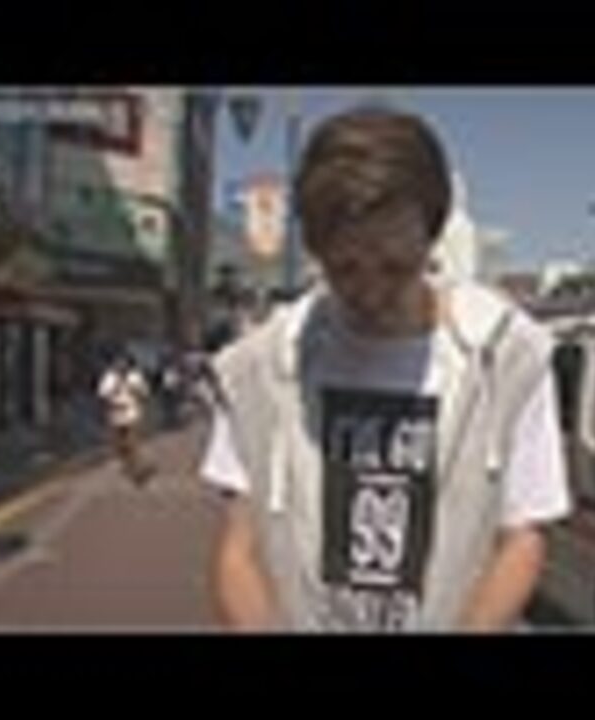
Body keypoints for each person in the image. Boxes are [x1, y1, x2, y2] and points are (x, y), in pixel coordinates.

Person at [201, 105, 570, 632]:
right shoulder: (259, 368)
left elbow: (523, 537)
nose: (370, 291)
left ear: (432, 236)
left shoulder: (509, 358)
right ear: (316, 249)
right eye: (345, 268)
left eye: (396, 266)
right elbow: (241, 548)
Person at [97, 353, 153, 486]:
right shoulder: (109, 377)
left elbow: (145, 393)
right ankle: (127, 463)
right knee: (119, 445)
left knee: (132, 442)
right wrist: (114, 388)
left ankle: (137, 472)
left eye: (124, 363)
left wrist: (136, 390)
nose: (121, 365)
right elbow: (102, 394)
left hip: (131, 413)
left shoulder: (135, 377)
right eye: (118, 362)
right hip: (115, 414)